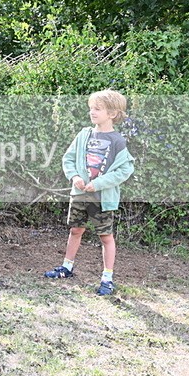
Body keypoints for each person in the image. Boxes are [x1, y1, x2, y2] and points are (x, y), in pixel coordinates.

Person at [44, 89, 135, 295]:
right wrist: (75, 177)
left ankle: (107, 279)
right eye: (91, 108)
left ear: (112, 113)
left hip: (102, 199)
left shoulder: (118, 141)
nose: (92, 112)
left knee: (106, 237)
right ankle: (66, 268)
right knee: (75, 230)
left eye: (97, 109)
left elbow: (125, 169)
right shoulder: (84, 134)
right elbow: (68, 158)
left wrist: (100, 183)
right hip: (79, 195)